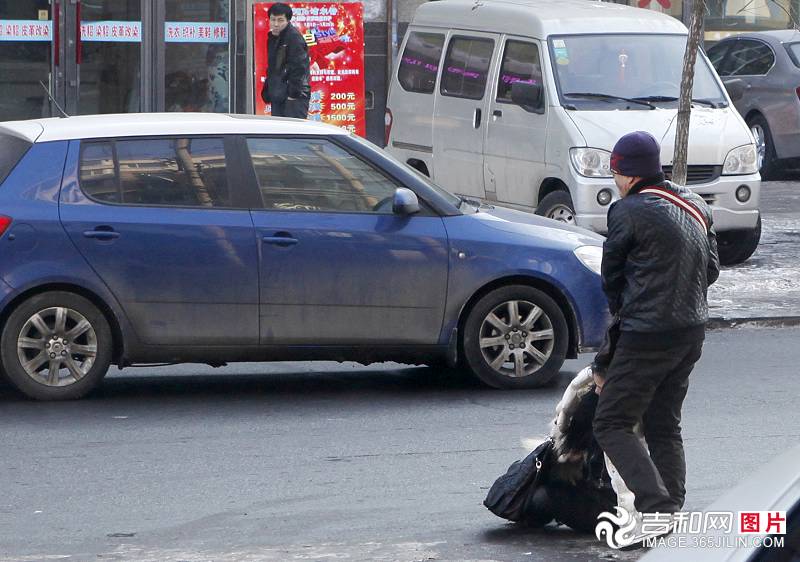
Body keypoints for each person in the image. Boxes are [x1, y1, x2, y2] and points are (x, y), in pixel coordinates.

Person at [591, 131, 720, 539]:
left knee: (611, 421)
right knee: (664, 421)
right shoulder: (696, 205)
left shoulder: (626, 211)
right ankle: (672, 509)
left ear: (625, 173)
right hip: (691, 330)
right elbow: (712, 269)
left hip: (648, 334)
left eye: (615, 172)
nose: (615, 181)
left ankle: (657, 506)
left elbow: (613, 284)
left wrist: (605, 358)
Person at [261, 3, 310, 118]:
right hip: (278, 94)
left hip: (293, 97)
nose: (276, 24)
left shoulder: (294, 38)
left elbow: (299, 67)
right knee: (279, 133)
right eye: (273, 20)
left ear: (288, 20)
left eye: (280, 20)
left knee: (294, 134)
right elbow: (274, 67)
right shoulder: (274, 37)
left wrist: (293, 94)